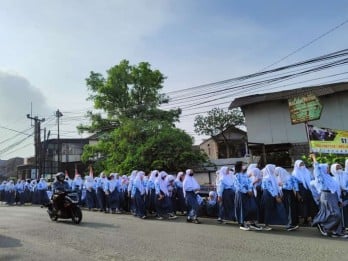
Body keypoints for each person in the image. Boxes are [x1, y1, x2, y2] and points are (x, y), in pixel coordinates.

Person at [310, 154, 347, 238]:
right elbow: (317, 167)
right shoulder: (321, 177)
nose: (327, 169)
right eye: (326, 168)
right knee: (335, 214)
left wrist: (339, 200)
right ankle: (323, 225)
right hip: (326, 195)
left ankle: (336, 231)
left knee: (336, 214)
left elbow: (336, 189)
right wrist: (314, 158)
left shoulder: (330, 177)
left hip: (333, 196)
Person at [234, 162, 261, 231]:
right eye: (242, 165)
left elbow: (250, 182)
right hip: (241, 193)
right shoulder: (236, 175)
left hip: (249, 193)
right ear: (239, 166)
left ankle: (252, 223)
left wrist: (249, 189)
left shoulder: (245, 175)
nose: (244, 166)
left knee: (253, 207)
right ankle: (242, 224)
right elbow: (238, 185)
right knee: (243, 208)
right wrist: (246, 191)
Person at [261, 164, 287, 231]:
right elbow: (270, 189)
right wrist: (276, 197)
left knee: (275, 209)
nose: (274, 170)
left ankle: (285, 223)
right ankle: (266, 225)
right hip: (268, 195)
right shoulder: (266, 178)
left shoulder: (273, 177)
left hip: (273, 194)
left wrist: (279, 194)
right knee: (268, 209)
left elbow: (276, 187)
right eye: (273, 168)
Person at [292, 159, 317, 225]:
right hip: (301, 189)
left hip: (309, 189)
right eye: (300, 164)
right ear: (297, 165)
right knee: (303, 204)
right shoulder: (295, 173)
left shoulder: (307, 171)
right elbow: (295, 185)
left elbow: (312, 179)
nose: (302, 165)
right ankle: (304, 220)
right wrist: (298, 194)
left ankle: (311, 219)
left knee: (311, 204)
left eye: (303, 164)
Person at [275, 166, 300, 231]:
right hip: (285, 194)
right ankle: (289, 224)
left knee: (289, 208)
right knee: (287, 208)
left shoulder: (288, 177)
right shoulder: (280, 177)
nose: (276, 174)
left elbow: (290, 186)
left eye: (276, 172)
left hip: (288, 194)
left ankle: (290, 224)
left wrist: (282, 185)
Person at [331, 162, 348, 229]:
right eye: (337, 168)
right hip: (338, 197)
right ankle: (344, 226)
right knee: (342, 211)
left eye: (340, 167)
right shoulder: (333, 178)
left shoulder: (345, 175)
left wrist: (344, 188)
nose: (339, 169)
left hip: (346, 194)